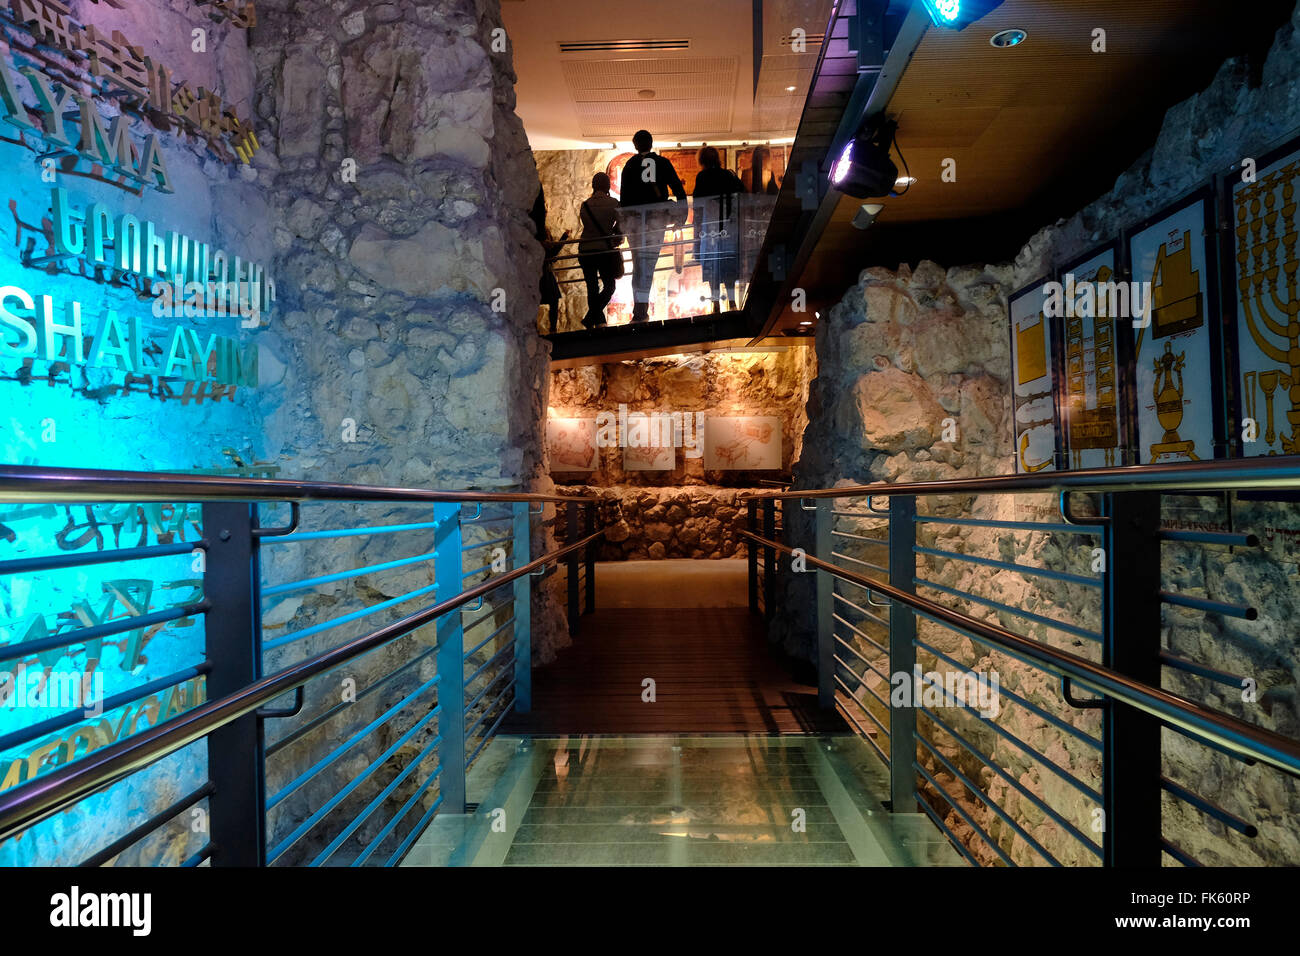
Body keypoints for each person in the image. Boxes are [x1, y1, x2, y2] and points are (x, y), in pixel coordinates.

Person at [619, 129, 686, 322]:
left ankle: (639, 310)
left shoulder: (630, 165)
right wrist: (680, 218)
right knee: (648, 264)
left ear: (635, 145)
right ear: (651, 143)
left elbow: (624, 198)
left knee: (638, 264)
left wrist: (625, 224)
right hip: (656, 220)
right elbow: (678, 190)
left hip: (635, 222)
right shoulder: (663, 163)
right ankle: (641, 310)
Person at [692, 145, 744, 313]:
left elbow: (698, 201)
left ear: (702, 161)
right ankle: (732, 301)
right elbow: (741, 194)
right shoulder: (727, 175)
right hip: (729, 226)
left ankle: (715, 302)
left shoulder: (702, 177)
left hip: (710, 226)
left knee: (712, 265)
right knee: (728, 263)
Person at [577, 172, 624, 328]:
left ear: (593, 185)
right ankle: (593, 318)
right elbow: (620, 226)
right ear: (607, 186)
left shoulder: (585, 205)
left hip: (585, 250)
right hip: (604, 251)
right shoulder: (614, 204)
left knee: (592, 287)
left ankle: (596, 320)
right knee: (610, 286)